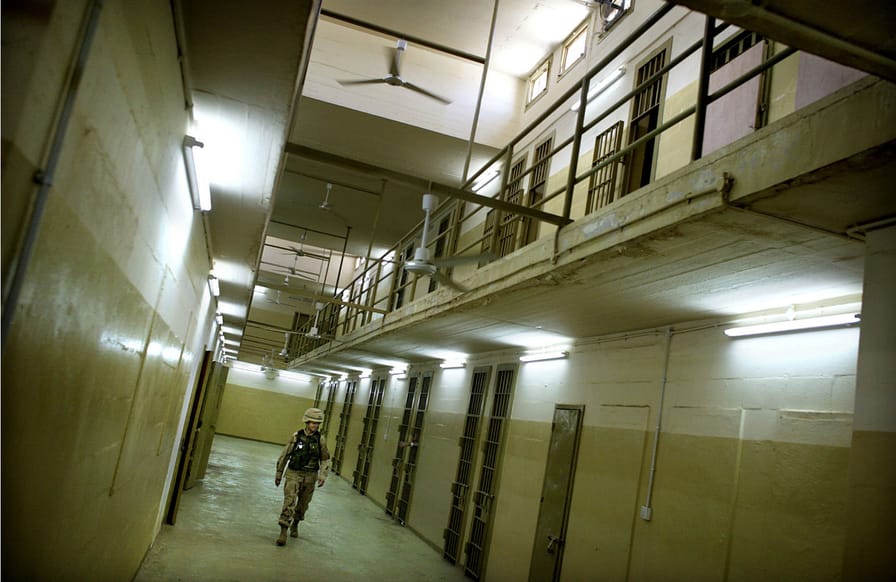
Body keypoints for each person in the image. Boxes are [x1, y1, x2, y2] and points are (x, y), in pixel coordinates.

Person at [274, 407, 330, 546]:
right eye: (313, 423)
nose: (315, 426)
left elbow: (325, 458)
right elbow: (285, 455)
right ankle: (283, 530)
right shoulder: (296, 437)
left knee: (303, 505)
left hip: (310, 476)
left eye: (317, 423)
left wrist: (322, 475)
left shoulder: (320, 440)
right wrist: (279, 473)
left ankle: (296, 524)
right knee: (289, 501)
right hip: (294, 473)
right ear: (307, 422)